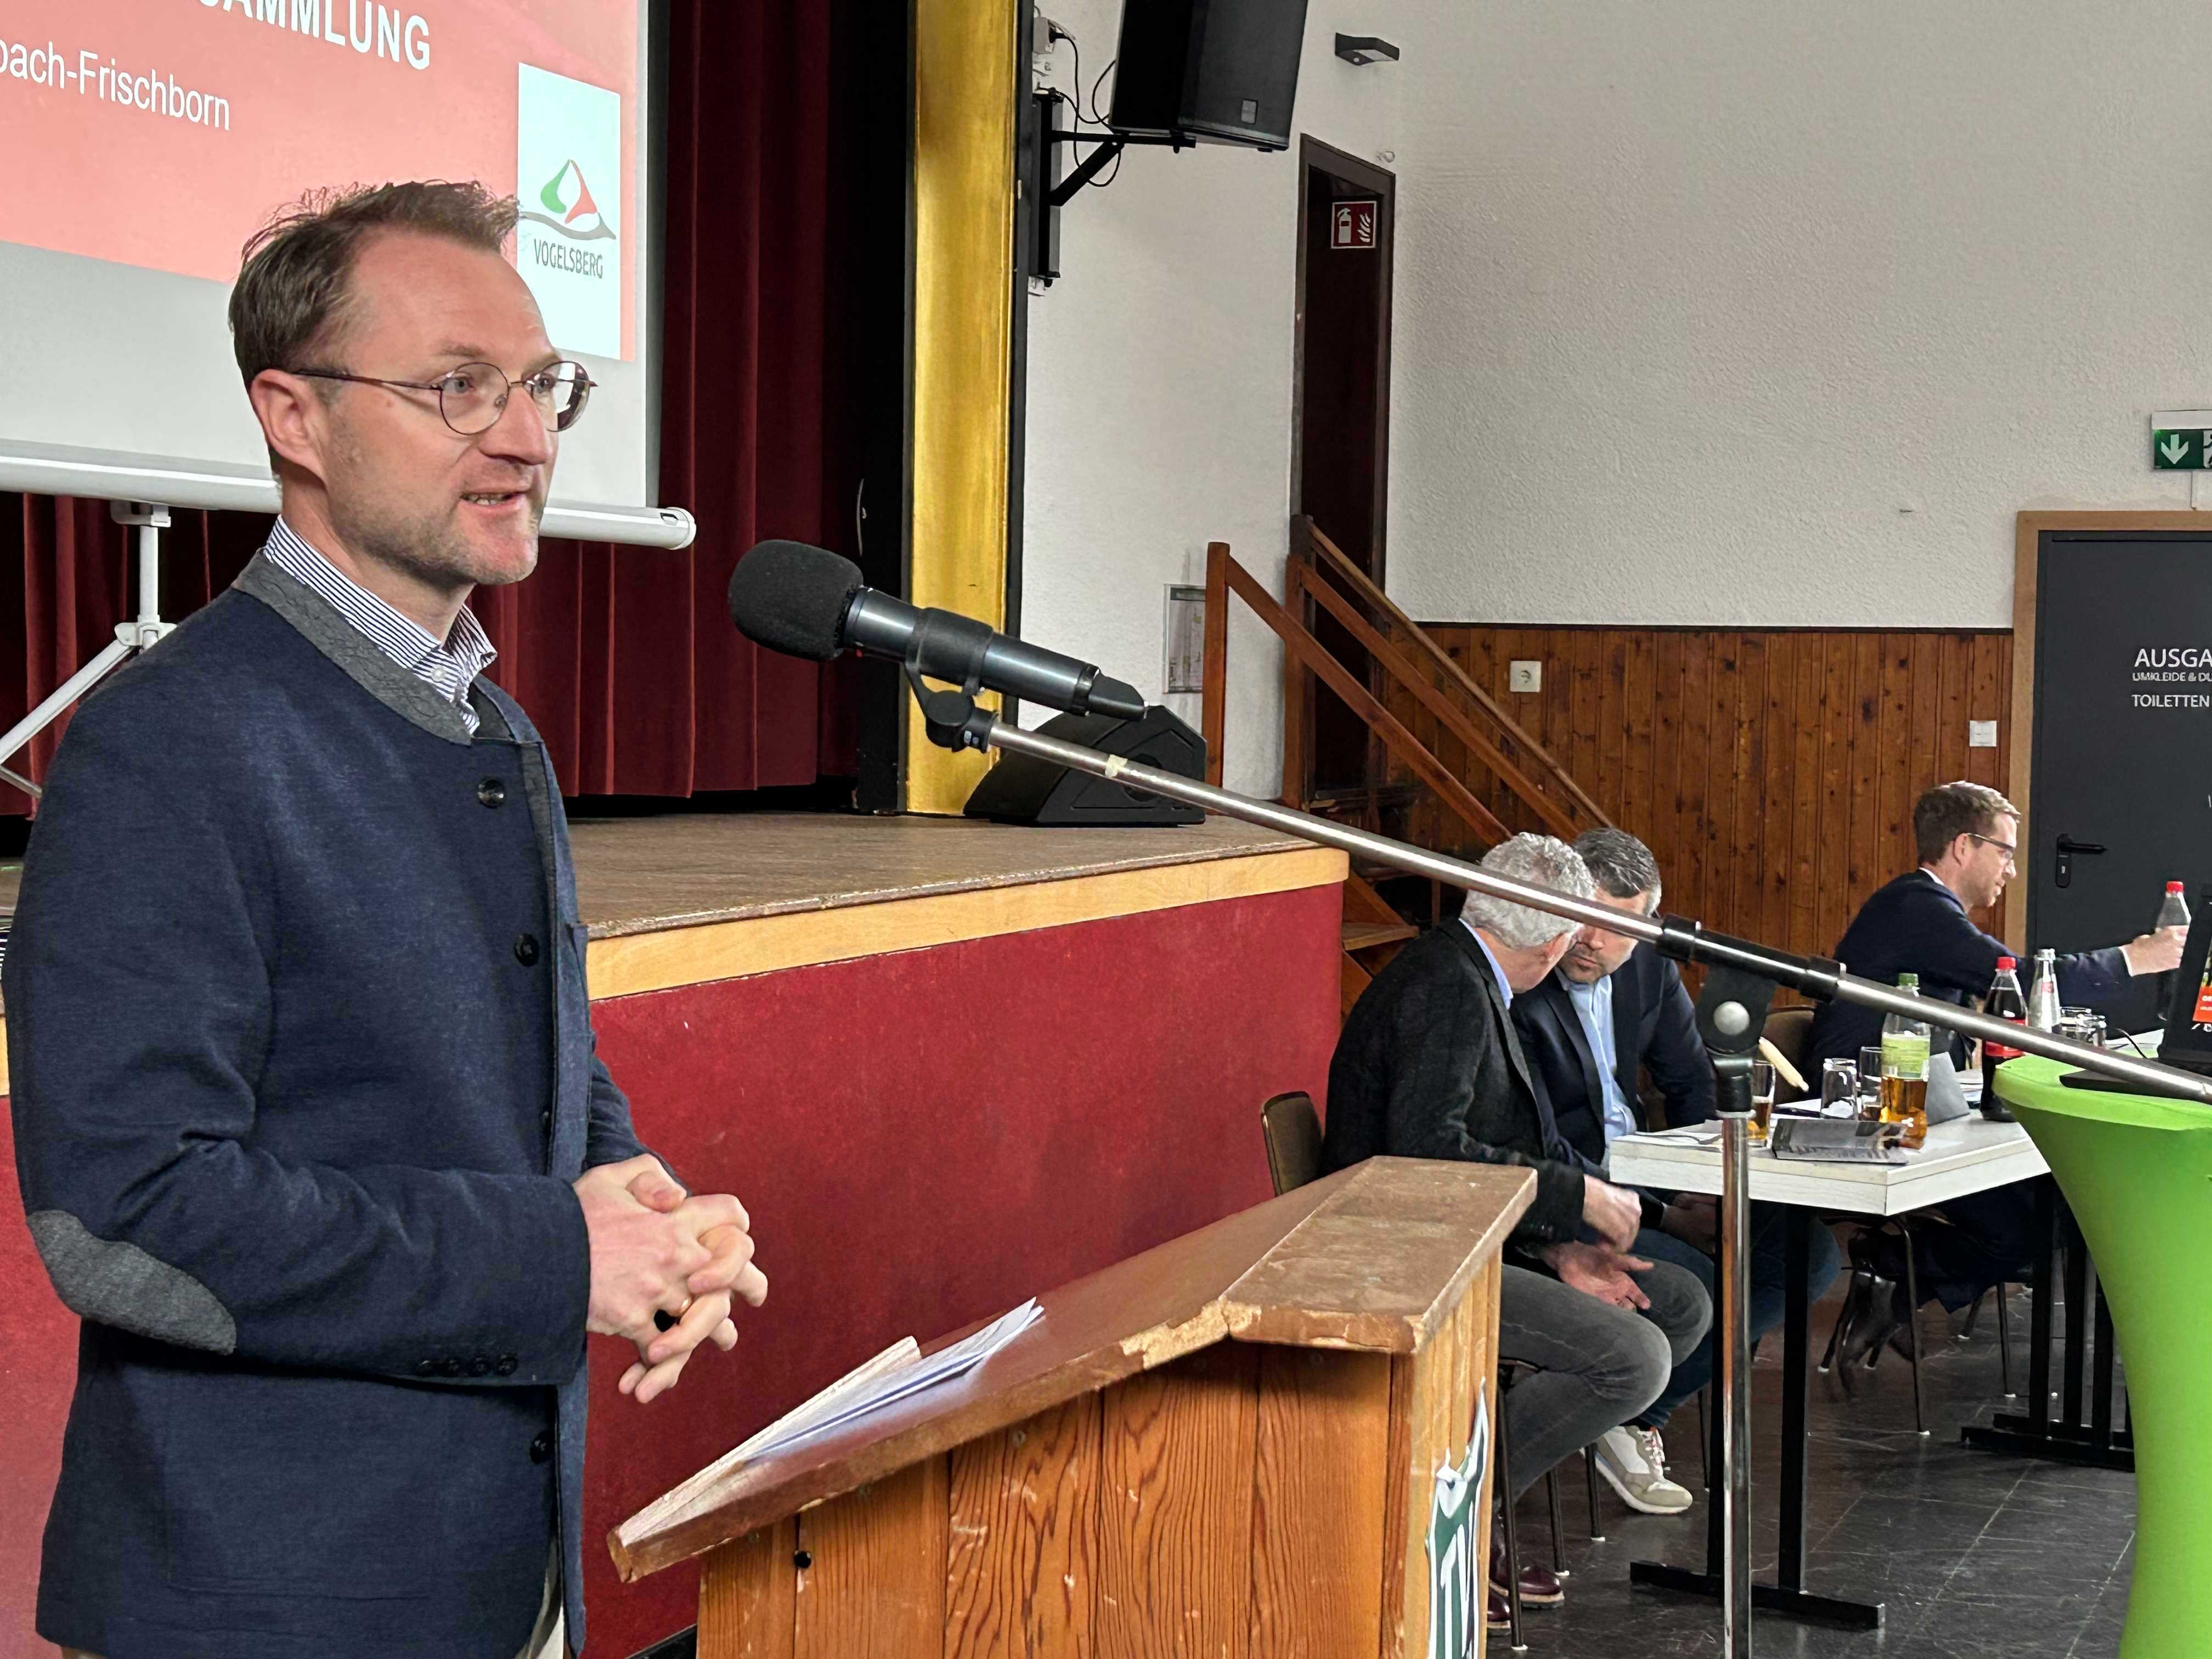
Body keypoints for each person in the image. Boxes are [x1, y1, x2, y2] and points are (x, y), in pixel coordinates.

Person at [9, 183, 768, 1659]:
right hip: (266, 1604)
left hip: (491, 1576)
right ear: (295, 416)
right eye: (457, 388)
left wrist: (638, 1197)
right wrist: (561, 1260)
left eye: (543, 387)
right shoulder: (169, 746)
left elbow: (508, 1053)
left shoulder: (494, 727)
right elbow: (124, 1217)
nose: (532, 439)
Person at [1324, 833, 1711, 1629]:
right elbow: (1428, 1155)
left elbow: (1497, 1146)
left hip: (1474, 1232)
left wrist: (1564, 1239)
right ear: (1552, 931)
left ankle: (1474, 1489)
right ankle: (1447, 1512)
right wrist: (1571, 1201)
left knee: (1677, 1300)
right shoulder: (1449, 989)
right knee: (1633, 1360)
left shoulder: (1475, 974)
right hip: (1413, 1253)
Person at [1513, 828, 1841, 1514]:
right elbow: (1532, 1134)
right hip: (1568, 1194)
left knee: (1805, 1255)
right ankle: (1628, 1413)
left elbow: (1693, 1082)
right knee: (1693, 1285)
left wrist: (1706, 1184)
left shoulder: (1649, 970)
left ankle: (1631, 1415)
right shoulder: (1527, 977)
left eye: (1617, 926)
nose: (1592, 942)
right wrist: (1658, 1212)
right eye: (1586, 917)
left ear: (1647, 928)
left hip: (1650, 1176)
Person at [1804, 781, 2183, 1364]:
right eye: (2004, 851)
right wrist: (2140, 957)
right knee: (2037, 1220)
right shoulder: (1916, 907)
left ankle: (1899, 1283)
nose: (2010, 868)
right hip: (1874, 1107)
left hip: (1923, 1101)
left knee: (2056, 1205)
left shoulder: (1925, 909)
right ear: (1963, 846)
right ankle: (1893, 1271)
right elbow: (2020, 978)